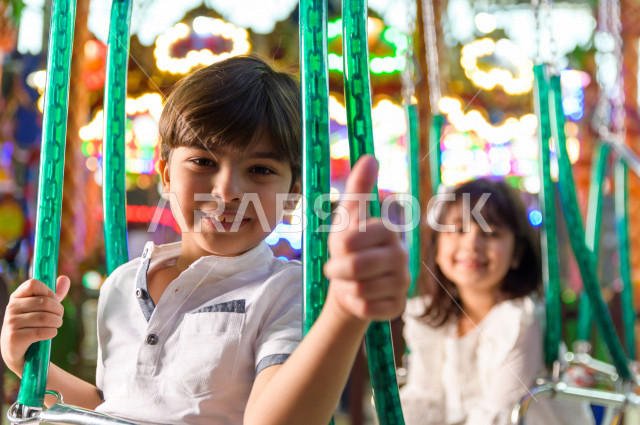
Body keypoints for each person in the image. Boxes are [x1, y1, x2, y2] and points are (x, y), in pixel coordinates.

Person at [1, 56, 410, 425]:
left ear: (293, 197)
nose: (228, 189)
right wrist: (26, 360)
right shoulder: (123, 284)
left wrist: (341, 309)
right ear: (165, 173)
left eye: (261, 170)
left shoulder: (286, 292)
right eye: (203, 161)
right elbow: (114, 406)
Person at [400, 178, 592, 425]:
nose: (471, 243)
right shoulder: (431, 317)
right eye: (458, 230)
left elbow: (499, 415)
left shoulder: (520, 318)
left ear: (516, 254)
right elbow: (424, 398)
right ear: (437, 247)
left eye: (491, 233)